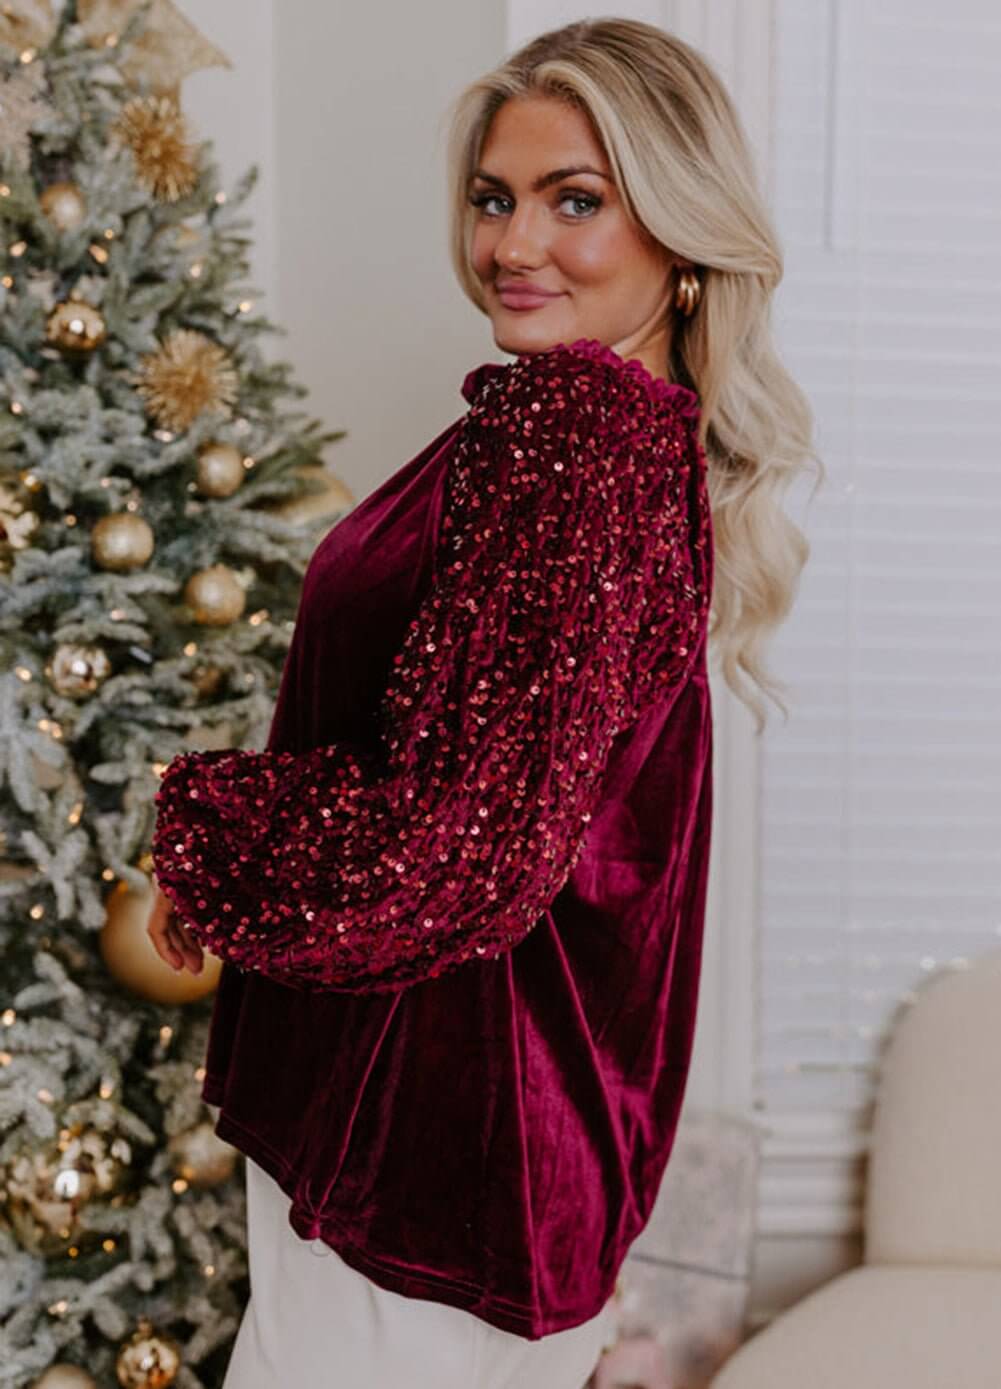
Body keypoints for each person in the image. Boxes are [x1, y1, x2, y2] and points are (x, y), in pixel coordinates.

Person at [147, 17, 816, 1389]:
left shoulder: (573, 444)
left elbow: (454, 853)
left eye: (578, 200)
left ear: (682, 241)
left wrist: (201, 832)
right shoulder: (594, 433)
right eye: (493, 197)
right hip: (461, 1140)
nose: (516, 244)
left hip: (436, 1156)